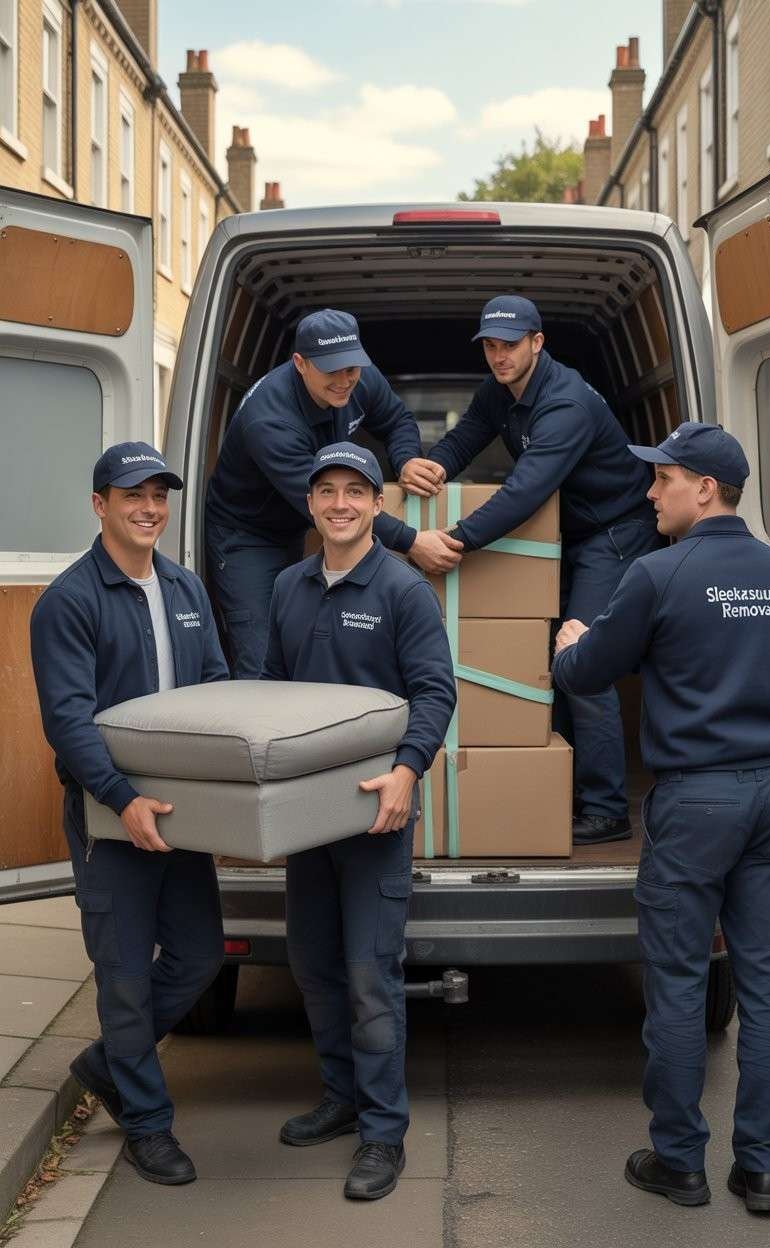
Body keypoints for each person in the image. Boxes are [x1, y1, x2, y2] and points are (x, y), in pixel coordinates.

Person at [552, 423, 770, 1214]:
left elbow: (591, 671)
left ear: (706, 488)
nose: (650, 491)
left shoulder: (656, 574)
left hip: (698, 798)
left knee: (676, 980)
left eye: (663, 479)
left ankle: (679, 1160)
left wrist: (571, 641)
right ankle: (763, 1169)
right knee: (765, 983)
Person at [30, 442, 229, 1187]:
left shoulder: (183, 588)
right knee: (123, 976)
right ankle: (148, 1124)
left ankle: (107, 1064)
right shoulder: (70, 601)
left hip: (183, 808)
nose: (149, 508)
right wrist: (121, 796)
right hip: (109, 814)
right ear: (100, 505)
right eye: (131, 495)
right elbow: (69, 721)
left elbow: (213, 683)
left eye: (158, 494)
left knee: (200, 955)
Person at [261, 441, 455, 1202]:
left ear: (379, 504)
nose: (340, 503)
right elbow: (271, 695)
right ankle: (341, 1098)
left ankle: (383, 1132)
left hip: (375, 812)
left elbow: (436, 693)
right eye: (326, 491)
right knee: (314, 966)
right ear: (311, 504)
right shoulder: (287, 587)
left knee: (372, 976)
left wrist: (407, 771)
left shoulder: (404, 591)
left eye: (355, 491)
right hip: (307, 816)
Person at [424, 295, 662, 845]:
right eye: (489, 345)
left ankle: (605, 809)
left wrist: (452, 540)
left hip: (615, 531)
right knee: (544, 650)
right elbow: (468, 433)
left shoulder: (566, 404)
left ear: (537, 342)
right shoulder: (502, 389)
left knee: (581, 655)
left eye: (510, 344)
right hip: (571, 533)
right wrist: (433, 465)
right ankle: (565, 786)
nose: (498, 355)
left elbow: (526, 491)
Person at [205, 307, 460, 678]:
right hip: (248, 536)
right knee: (262, 659)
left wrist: (405, 460)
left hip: (303, 525)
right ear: (300, 363)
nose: (344, 380)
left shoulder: (360, 379)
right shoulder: (270, 421)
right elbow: (331, 504)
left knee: (314, 644)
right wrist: (412, 541)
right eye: (331, 370)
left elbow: (398, 419)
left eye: (351, 368)